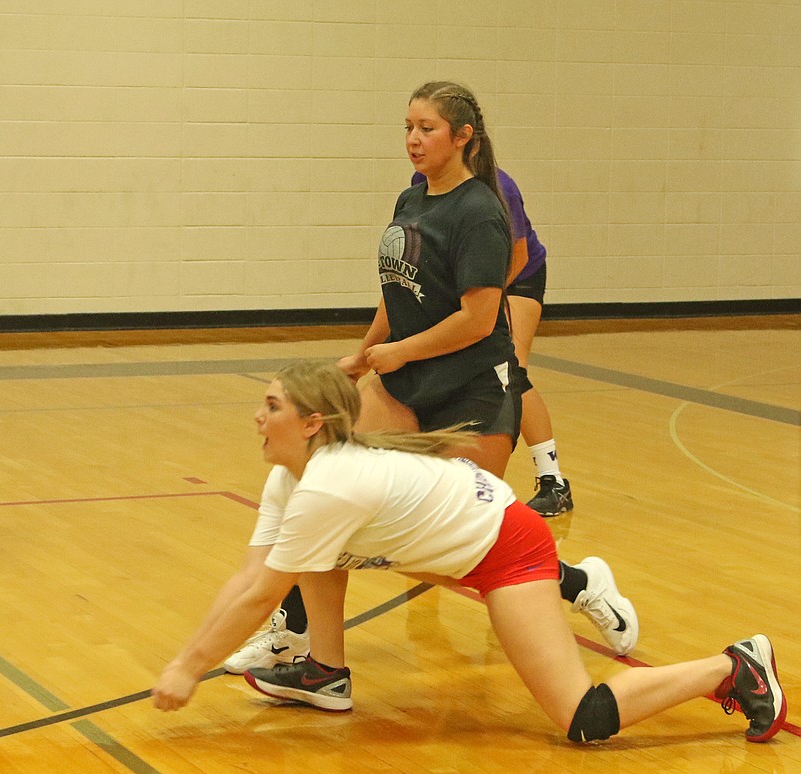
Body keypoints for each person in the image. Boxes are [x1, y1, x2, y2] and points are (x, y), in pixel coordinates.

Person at [153, 360, 787, 745]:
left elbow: (262, 594)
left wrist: (187, 667)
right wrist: (189, 659)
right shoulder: (292, 481)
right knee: (312, 552)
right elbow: (251, 577)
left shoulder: (328, 486)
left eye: (271, 406)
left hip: (507, 547)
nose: (257, 417)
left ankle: (733, 666)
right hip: (467, 533)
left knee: (582, 717)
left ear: (313, 423)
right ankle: (325, 671)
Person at [223, 82, 625, 674]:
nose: (413, 139)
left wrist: (402, 351)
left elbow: (478, 318)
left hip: (471, 391)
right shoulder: (410, 199)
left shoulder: (481, 210)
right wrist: (365, 355)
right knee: (322, 480)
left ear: (462, 137)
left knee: (444, 549)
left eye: (427, 128)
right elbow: (397, 290)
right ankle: (297, 636)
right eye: (408, 127)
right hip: (403, 385)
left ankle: (578, 582)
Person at [412, 167, 572, 516]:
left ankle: (553, 481)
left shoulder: (499, 187)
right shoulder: (420, 183)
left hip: (516, 278)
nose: (414, 143)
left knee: (513, 372)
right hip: (468, 282)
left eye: (428, 135)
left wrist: (485, 299)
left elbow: (520, 255)